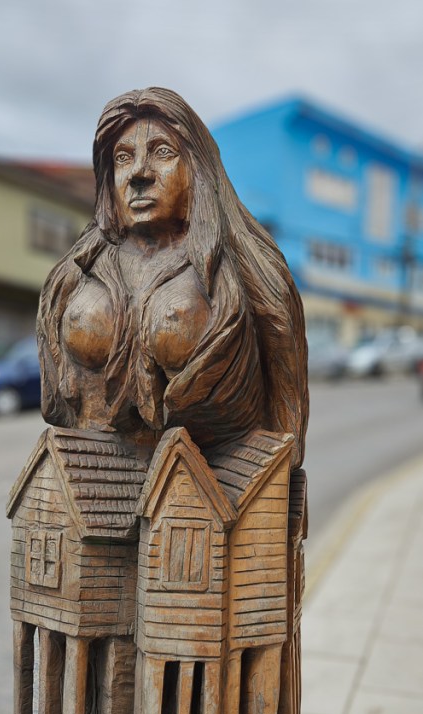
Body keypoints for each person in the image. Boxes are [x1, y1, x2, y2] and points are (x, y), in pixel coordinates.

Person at [38, 87, 308, 467]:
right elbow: (55, 402)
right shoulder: (76, 272)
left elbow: (284, 377)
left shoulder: (240, 267)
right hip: (92, 473)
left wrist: (282, 472)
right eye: (122, 157)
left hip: (212, 477)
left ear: (197, 167)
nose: (139, 174)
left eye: (163, 152)